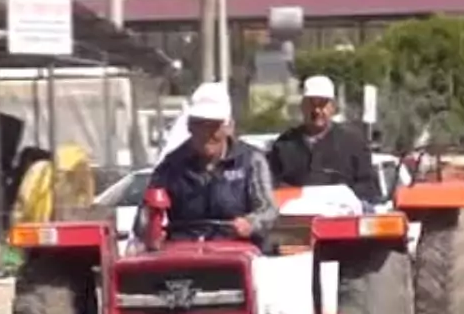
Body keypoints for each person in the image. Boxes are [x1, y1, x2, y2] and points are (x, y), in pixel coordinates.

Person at [130, 81, 278, 246]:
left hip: (236, 250)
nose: (206, 134)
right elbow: (144, 215)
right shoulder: (171, 165)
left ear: (228, 127)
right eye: (199, 125)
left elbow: (268, 209)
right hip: (183, 254)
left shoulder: (251, 161)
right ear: (189, 126)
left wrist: (251, 223)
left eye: (213, 126)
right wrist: (152, 231)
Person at [267, 75, 383, 203]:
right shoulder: (284, 144)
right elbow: (272, 186)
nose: (316, 111)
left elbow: (368, 187)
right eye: (311, 104)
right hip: (295, 217)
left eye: (322, 105)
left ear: (332, 107)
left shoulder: (353, 142)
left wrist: (341, 196)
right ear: (302, 106)